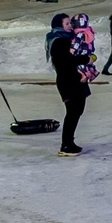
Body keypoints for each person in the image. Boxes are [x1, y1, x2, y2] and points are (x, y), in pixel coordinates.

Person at [47, 13, 91, 156]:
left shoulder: (71, 39)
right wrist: (86, 59)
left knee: (77, 111)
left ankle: (69, 142)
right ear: (59, 26)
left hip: (77, 80)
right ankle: (65, 144)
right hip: (68, 81)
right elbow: (65, 61)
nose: (70, 26)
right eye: (66, 24)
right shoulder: (58, 41)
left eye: (70, 23)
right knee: (73, 112)